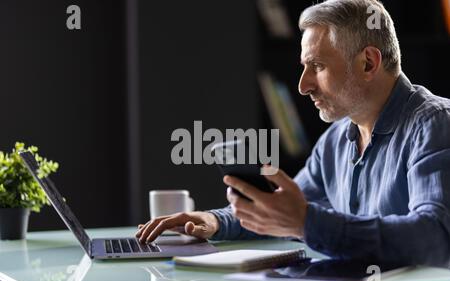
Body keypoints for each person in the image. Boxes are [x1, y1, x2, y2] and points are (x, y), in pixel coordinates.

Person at [136, 0, 450, 266]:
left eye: (317, 66)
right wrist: (215, 221)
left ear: (368, 63)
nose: (303, 85)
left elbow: (435, 237)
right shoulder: (337, 139)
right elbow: (283, 210)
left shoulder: (435, 124)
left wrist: (306, 223)